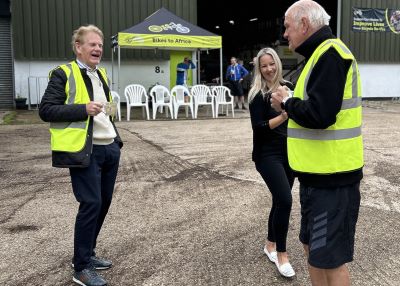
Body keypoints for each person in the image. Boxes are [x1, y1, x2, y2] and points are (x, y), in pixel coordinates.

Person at [271, 1, 364, 285]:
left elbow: (321, 114)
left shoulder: (331, 54)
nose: (284, 34)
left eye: (287, 26)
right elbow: (314, 107)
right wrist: (292, 102)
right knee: (313, 251)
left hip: (333, 180)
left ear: (303, 24)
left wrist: (287, 102)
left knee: (330, 260)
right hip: (317, 178)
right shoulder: (317, 57)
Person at [39, 25, 123, 286]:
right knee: (91, 204)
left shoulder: (101, 74)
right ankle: (81, 266)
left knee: (104, 202)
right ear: (78, 47)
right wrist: (81, 109)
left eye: (99, 45)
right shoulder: (63, 73)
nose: (98, 48)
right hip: (84, 150)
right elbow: (46, 110)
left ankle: (89, 252)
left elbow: (103, 109)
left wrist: (112, 116)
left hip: (109, 146)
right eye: (92, 44)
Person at [248, 48, 295, 278]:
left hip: (290, 153)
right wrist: (284, 115)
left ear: (277, 63)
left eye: (271, 64)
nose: (268, 69)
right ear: (259, 68)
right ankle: (282, 254)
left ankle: (269, 245)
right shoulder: (257, 94)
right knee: (286, 200)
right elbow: (259, 127)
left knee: (279, 200)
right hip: (267, 155)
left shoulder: (287, 87)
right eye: (263, 65)